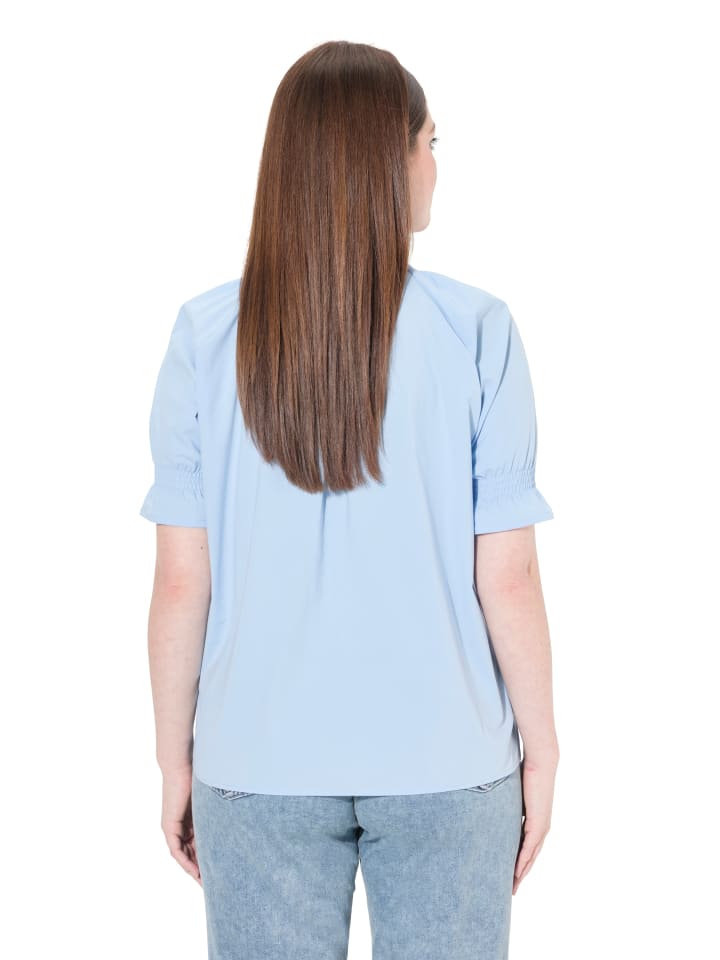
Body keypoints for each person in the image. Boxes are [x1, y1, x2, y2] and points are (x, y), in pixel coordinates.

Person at [140, 39, 559, 960]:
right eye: (430, 143)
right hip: (449, 760)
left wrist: (175, 759)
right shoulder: (478, 331)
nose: (436, 167)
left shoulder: (205, 334)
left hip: (255, 760)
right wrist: (545, 748)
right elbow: (510, 578)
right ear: (388, 160)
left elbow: (180, 583)